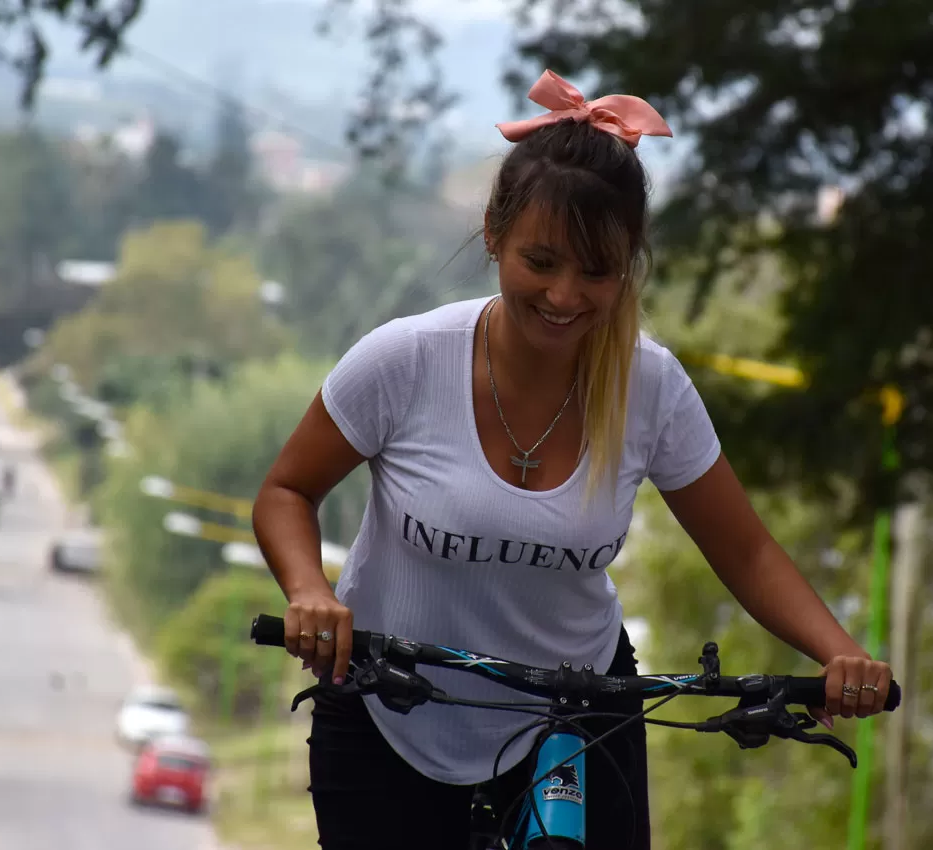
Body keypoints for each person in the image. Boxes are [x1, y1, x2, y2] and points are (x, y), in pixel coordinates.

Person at [252, 69, 895, 850]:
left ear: (629, 267)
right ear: (494, 232)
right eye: (541, 262)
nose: (565, 296)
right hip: (391, 710)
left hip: (577, 725)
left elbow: (749, 552)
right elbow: (286, 490)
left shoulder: (651, 385)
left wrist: (840, 653)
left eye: (598, 272)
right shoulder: (404, 360)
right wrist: (309, 590)